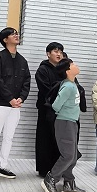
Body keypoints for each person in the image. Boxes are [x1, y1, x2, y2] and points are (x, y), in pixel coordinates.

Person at [0, 27, 30, 181]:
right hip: (1, 103)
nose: (16, 35)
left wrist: (21, 98)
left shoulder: (22, 60)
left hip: (15, 105)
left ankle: (3, 166)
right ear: (5, 39)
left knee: (9, 137)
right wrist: (10, 98)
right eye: (12, 34)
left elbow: (27, 81)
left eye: (17, 33)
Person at [41, 58, 86, 192]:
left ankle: (68, 183)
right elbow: (56, 105)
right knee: (68, 155)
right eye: (73, 64)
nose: (76, 65)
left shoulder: (72, 84)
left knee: (73, 156)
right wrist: (66, 113)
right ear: (67, 71)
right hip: (65, 123)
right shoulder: (68, 87)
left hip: (71, 122)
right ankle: (51, 178)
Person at [34, 42, 65, 176]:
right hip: (46, 110)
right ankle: (44, 169)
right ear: (48, 54)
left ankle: (58, 169)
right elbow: (45, 89)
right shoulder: (42, 70)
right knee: (45, 139)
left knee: (59, 139)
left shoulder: (64, 70)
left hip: (62, 111)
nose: (59, 54)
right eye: (56, 51)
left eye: (61, 52)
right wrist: (60, 96)